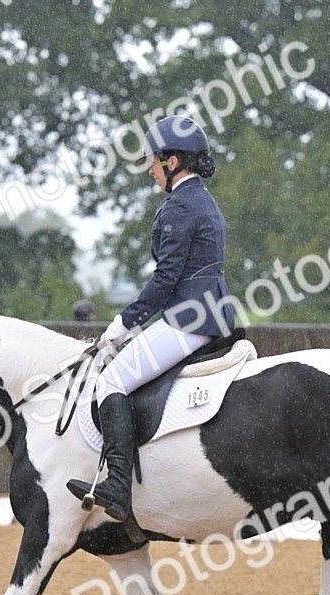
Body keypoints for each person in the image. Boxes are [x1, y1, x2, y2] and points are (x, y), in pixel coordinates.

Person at [66, 115, 233, 522]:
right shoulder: (203, 200)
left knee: (111, 381)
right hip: (212, 313)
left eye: (154, 162)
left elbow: (166, 277)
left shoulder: (179, 205)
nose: (151, 170)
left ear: (172, 162)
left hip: (189, 319)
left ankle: (119, 487)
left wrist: (125, 322)